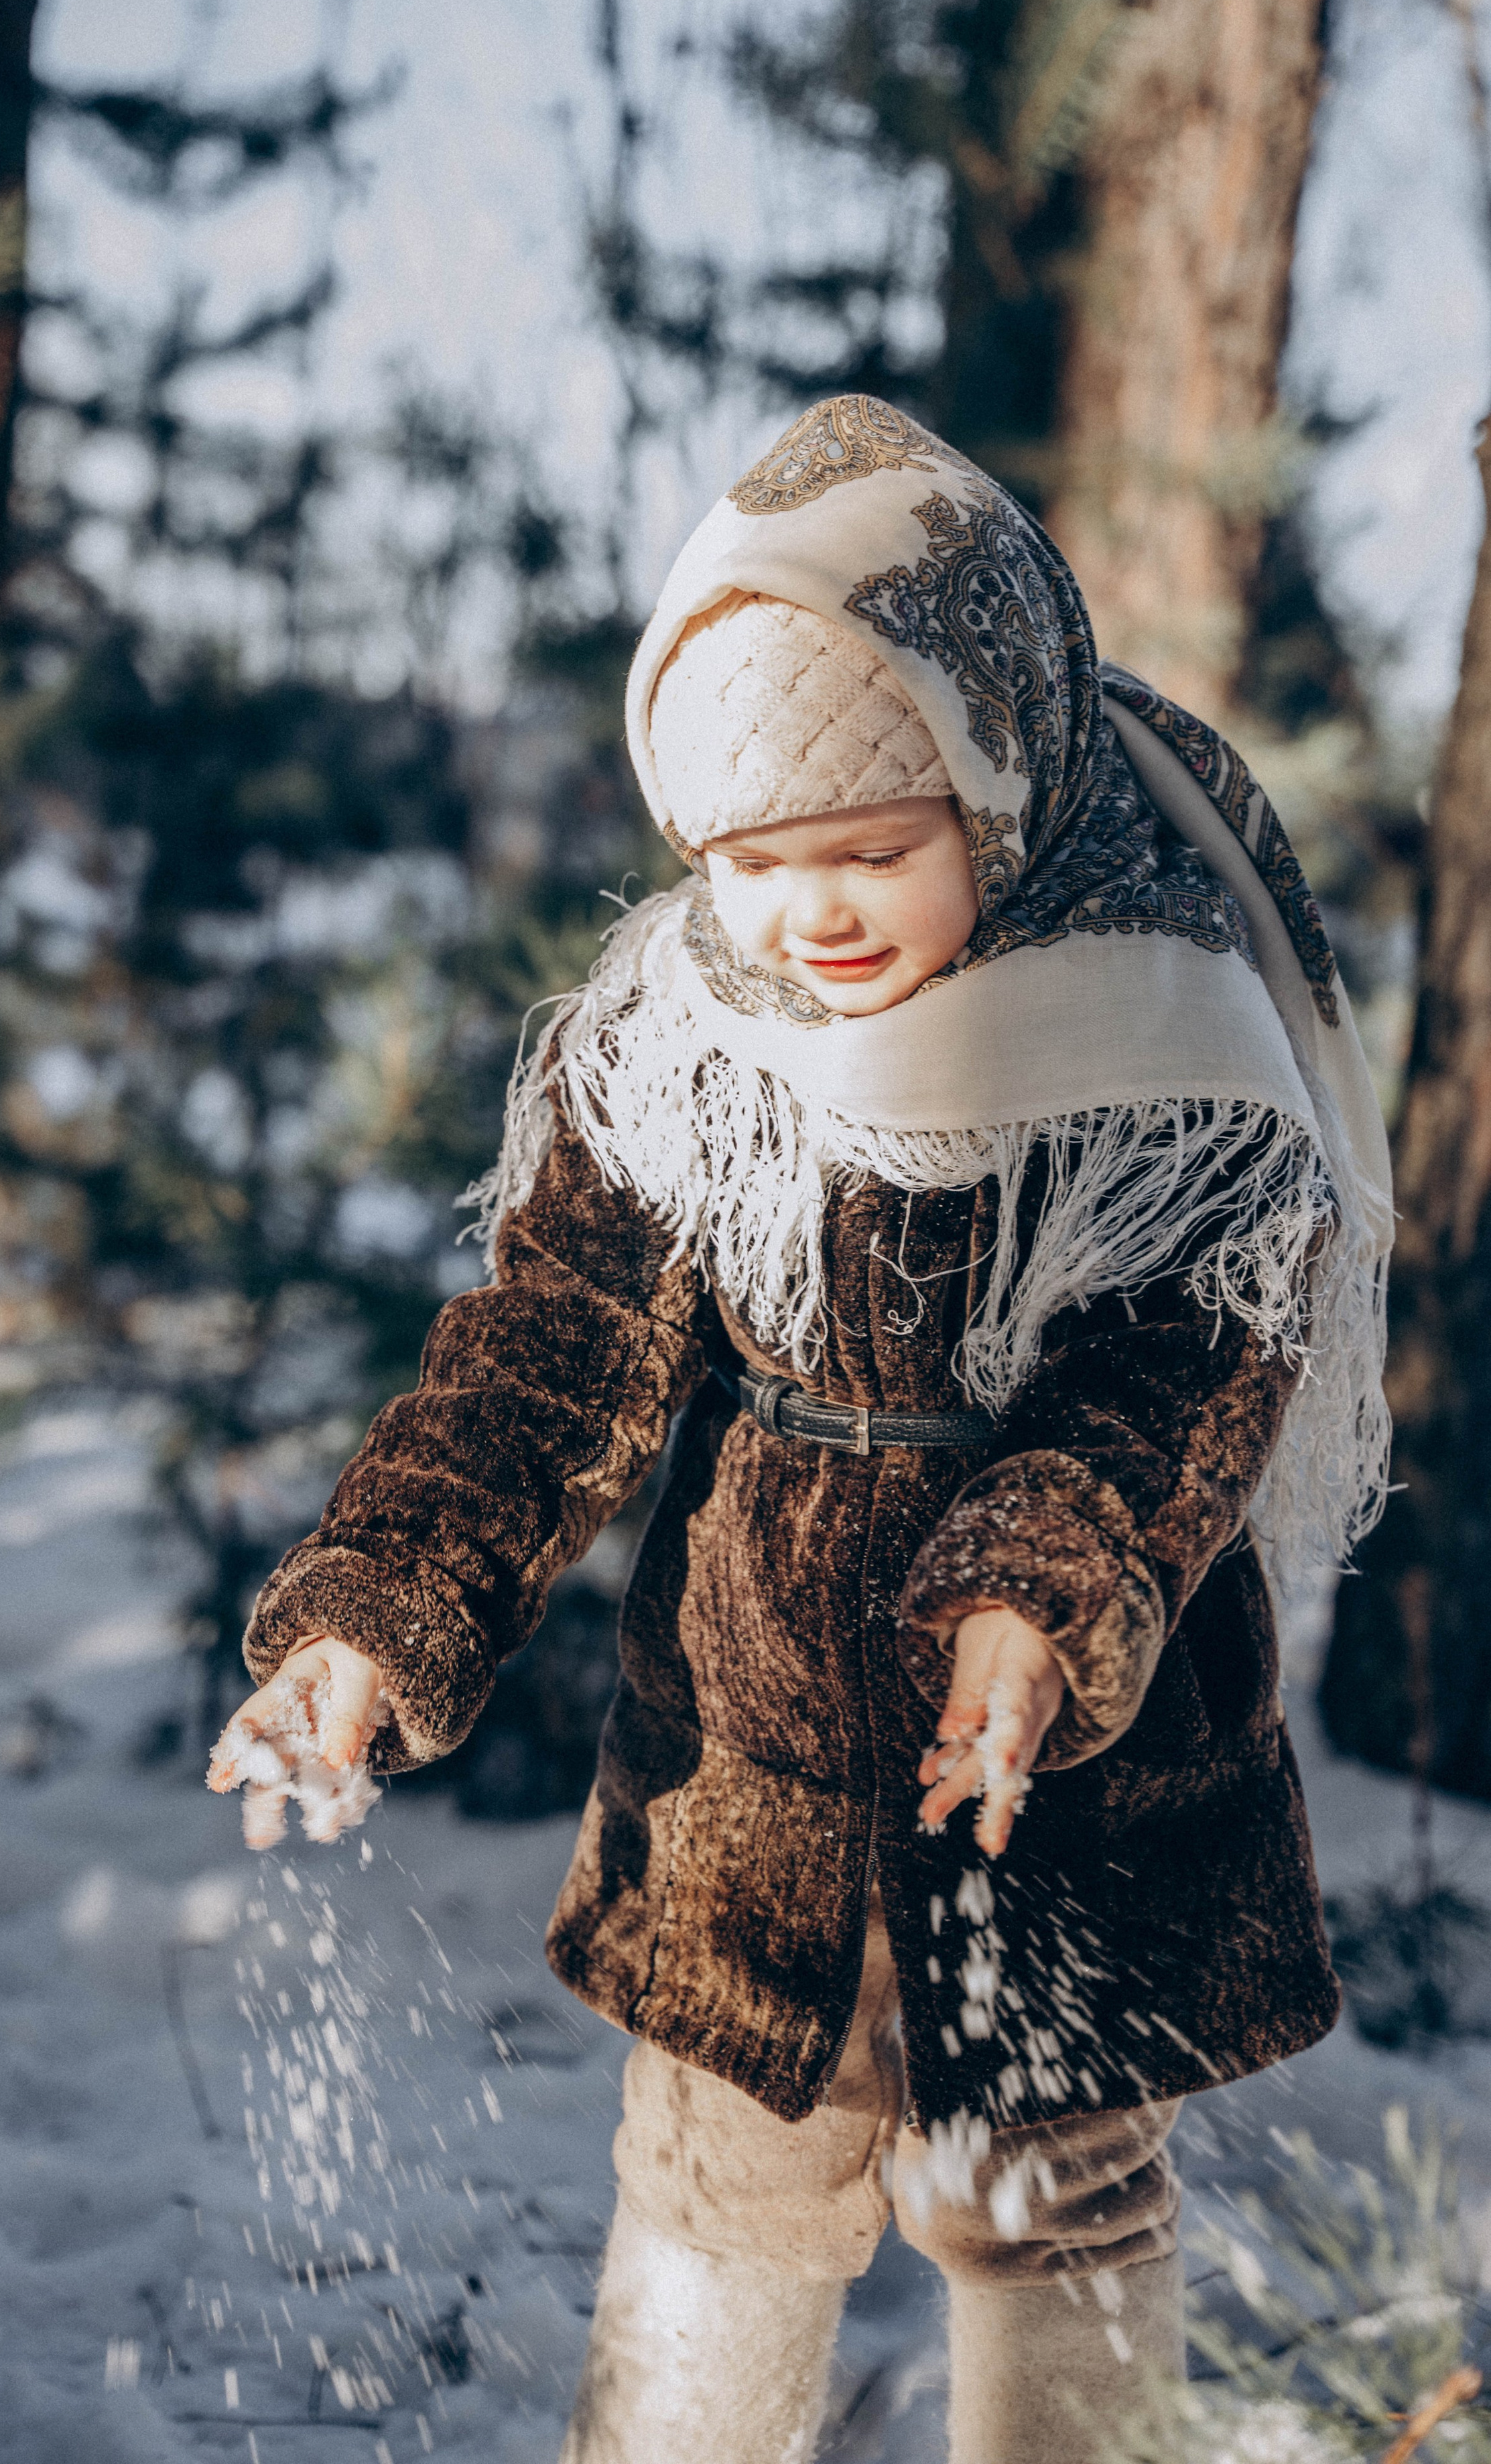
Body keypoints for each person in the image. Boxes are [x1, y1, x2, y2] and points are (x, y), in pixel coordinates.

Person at [208, 395, 1392, 2464]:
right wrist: (371, 1619)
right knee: (721, 2177)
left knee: (1046, 2200)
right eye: (753, 865)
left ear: (998, 786)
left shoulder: (1157, 1037)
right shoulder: (686, 1048)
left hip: (1063, 1763)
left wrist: (1040, 1600)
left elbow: (1186, 1363)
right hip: (742, 1747)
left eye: (870, 853)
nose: (812, 918)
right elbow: (549, 1356)